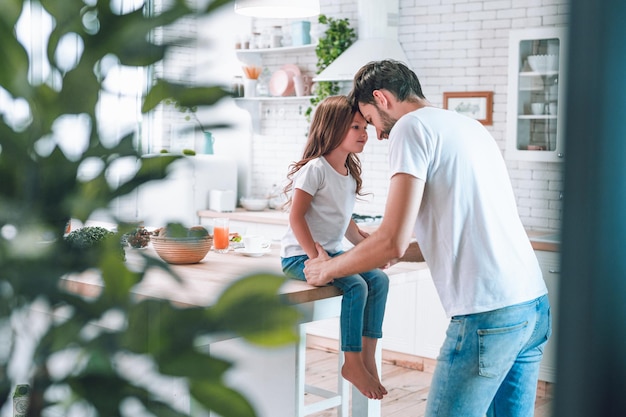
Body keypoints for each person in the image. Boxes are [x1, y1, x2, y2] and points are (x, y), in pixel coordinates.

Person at [303, 61, 551, 417]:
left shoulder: (410, 128)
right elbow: (450, 235)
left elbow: (391, 240)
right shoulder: (468, 126)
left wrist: (327, 270)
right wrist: (395, 255)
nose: (377, 134)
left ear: (381, 98)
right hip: (532, 306)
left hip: (488, 314)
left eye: (370, 120)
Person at [280, 95, 390, 400]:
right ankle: (352, 362)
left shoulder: (349, 174)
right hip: (299, 256)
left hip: (332, 254)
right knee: (356, 286)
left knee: (378, 280)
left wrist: (368, 249)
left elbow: (346, 222)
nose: (363, 132)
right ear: (332, 128)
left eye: (364, 125)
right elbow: (296, 215)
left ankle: (367, 357)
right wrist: (317, 257)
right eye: (355, 126)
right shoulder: (315, 169)